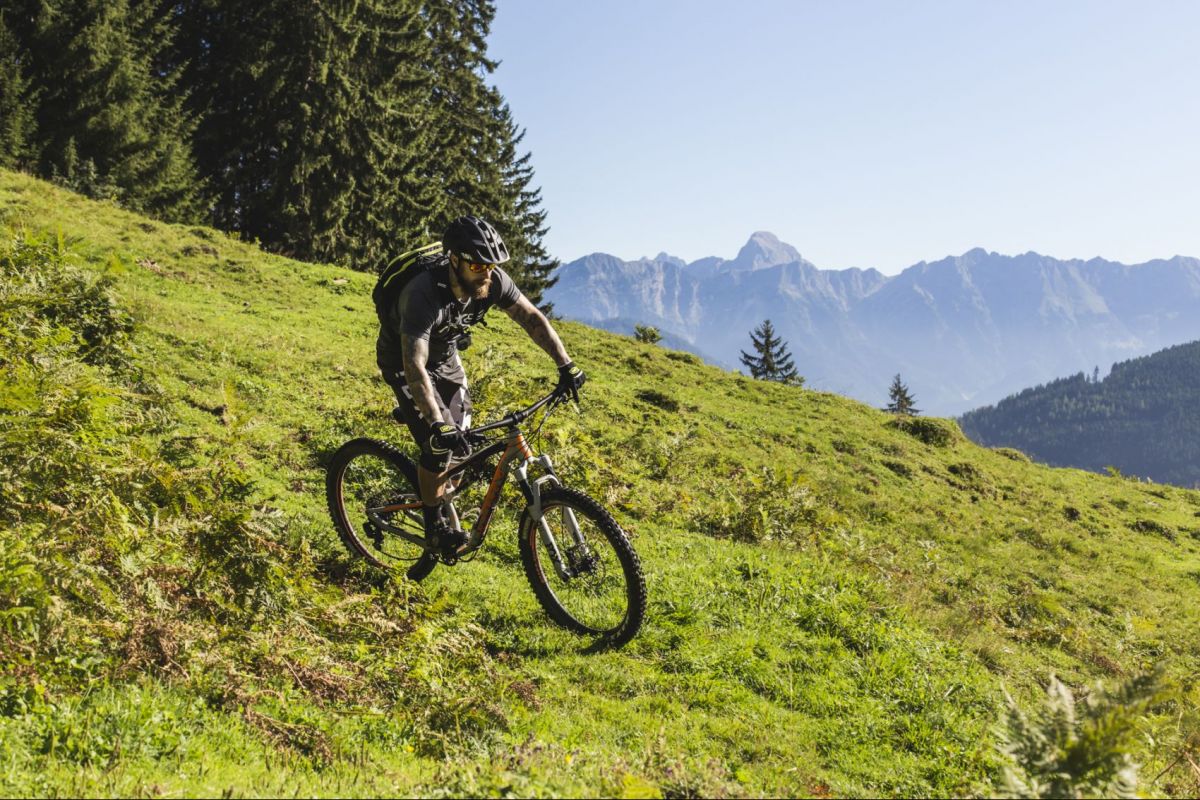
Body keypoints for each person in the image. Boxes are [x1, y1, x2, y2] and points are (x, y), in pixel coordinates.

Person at [376, 215, 586, 554]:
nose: (486, 272)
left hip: (445, 358)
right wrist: (434, 422)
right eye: (477, 265)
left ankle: (439, 495)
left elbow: (532, 319)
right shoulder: (422, 294)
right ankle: (433, 524)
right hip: (404, 363)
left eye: (490, 265)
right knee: (439, 444)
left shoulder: (492, 281)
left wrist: (566, 364)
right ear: (454, 260)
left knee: (463, 447)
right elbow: (413, 364)